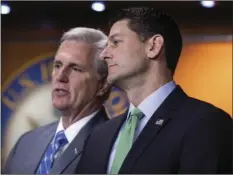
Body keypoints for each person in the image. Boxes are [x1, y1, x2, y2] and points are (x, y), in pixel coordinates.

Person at [76, 7, 232, 174]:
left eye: (115, 42)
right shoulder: (99, 136)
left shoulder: (206, 124)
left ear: (153, 46)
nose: (104, 54)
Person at [3, 27, 111, 174]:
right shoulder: (26, 143)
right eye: (58, 65)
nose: (60, 76)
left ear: (103, 85)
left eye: (75, 68)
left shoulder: (114, 147)